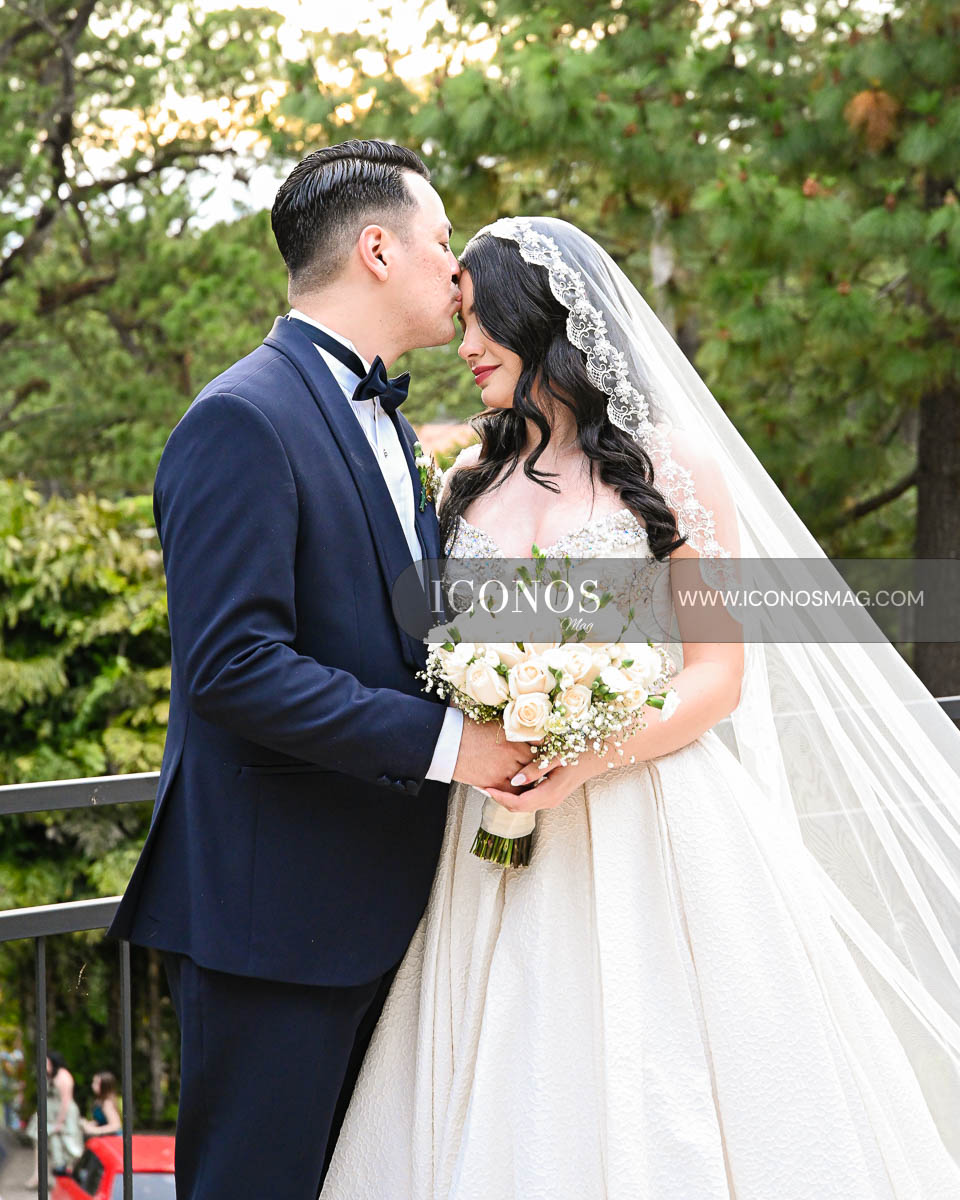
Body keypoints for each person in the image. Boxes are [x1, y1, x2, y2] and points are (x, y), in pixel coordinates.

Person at [319, 216, 960, 1198]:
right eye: (462, 321)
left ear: (546, 326)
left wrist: (586, 750)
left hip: (650, 822)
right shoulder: (465, 479)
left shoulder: (673, 468)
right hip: (495, 837)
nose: (466, 343)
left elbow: (718, 675)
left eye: (484, 322)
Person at [106, 140, 533, 1200]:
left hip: (393, 909)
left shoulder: (392, 425)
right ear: (377, 250)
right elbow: (235, 667)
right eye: (441, 240)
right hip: (275, 924)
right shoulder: (242, 417)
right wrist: (455, 745)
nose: (456, 268)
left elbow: (407, 629)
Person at [24, 1052, 83, 1188]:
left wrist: (59, 1122)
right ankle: (38, 1176)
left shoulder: (63, 1076)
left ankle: (66, 1178)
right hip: (49, 1114)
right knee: (39, 1141)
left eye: (47, 1062)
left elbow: (66, 1101)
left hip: (63, 1115)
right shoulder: (48, 1075)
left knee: (66, 1145)